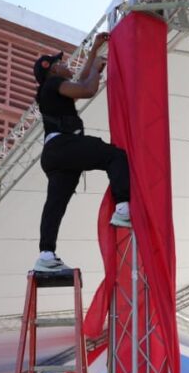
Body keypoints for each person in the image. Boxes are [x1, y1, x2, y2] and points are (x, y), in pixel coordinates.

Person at [32, 32, 131, 273]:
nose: (66, 64)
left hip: (55, 154)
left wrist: (95, 50)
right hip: (64, 146)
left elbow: (80, 81)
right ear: (52, 70)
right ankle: (123, 208)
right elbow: (87, 89)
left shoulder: (50, 90)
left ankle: (46, 254)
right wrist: (96, 68)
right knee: (114, 156)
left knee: (55, 205)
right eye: (60, 62)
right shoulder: (53, 85)